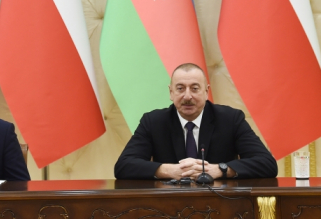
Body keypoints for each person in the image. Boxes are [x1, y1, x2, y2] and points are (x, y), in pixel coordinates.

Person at [114, 63, 278, 180]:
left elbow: (267, 164)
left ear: (206, 92)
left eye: (194, 88)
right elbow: (123, 166)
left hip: (221, 205)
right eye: (180, 89)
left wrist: (220, 170)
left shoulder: (231, 119)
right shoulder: (153, 121)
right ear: (171, 93)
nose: (187, 96)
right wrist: (169, 170)